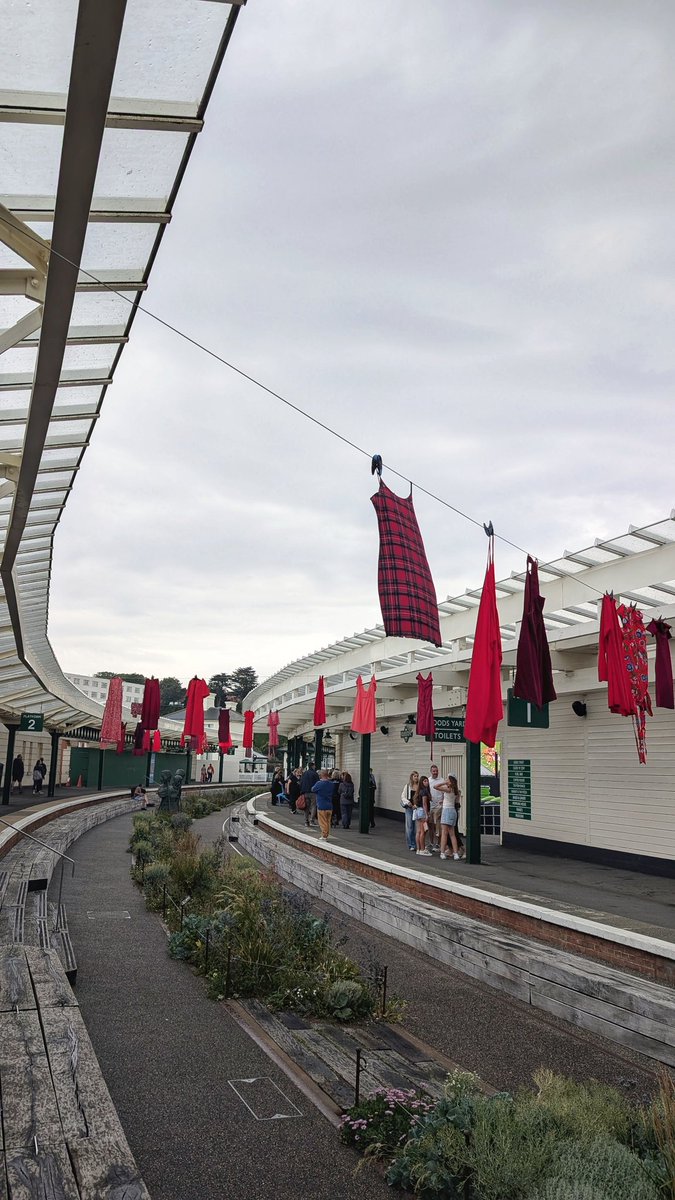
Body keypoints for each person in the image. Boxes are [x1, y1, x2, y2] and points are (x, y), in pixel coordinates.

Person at [439, 775, 461, 860]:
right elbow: (455, 801)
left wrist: (444, 782)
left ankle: (442, 852)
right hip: (453, 810)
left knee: (444, 832)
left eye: (447, 779)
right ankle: (455, 853)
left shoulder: (448, 789)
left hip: (446, 810)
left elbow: (435, 786)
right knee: (452, 834)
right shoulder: (456, 791)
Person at [311, 768, 336, 840]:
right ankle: (327, 834)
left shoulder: (319, 783)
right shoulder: (331, 784)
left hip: (321, 805)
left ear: (321, 775)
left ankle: (324, 835)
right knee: (328, 821)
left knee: (322, 822)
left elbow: (313, 789)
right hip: (329, 805)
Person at [428, 764, 445, 852]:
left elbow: (444, 793)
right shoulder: (428, 781)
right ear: (431, 772)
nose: (435, 773)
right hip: (430, 806)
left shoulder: (441, 780)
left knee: (438, 826)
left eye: (436, 771)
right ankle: (431, 842)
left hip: (439, 806)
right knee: (431, 826)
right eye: (434, 771)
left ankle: (438, 844)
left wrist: (443, 800)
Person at [400, 770, 419, 851]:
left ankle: (416, 843)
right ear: (411, 777)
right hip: (409, 808)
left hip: (417, 808)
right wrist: (408, 803)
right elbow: (403, 797)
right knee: (410, 827)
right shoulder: (407, 786)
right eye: (415, 776)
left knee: (416, 828)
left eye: (417, 776)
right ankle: (411, 844)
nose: (416, 777)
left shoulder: (419, 787)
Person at [414, 775, 432, 855]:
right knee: (423, 831)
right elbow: (424, 803)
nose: (427, 782)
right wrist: (426, 814)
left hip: (418, 811)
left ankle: (418, 849)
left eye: (427, 781)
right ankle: (422, 849)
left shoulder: (419, 791)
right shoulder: (424, 791)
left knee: (419, 831)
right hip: (422, 812)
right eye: (424, 781)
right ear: (421, 782)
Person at [299, 761, 319, 828]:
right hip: (313, 793)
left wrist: (301, 791)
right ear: (312, 766)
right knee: (313, 806)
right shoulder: (315, 774)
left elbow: (301, 782)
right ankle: (312, 820)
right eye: (314, 766)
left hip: (305, 792)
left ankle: (306, 821)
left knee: (306, 807)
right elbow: (317, 783)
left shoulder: (304, 773)